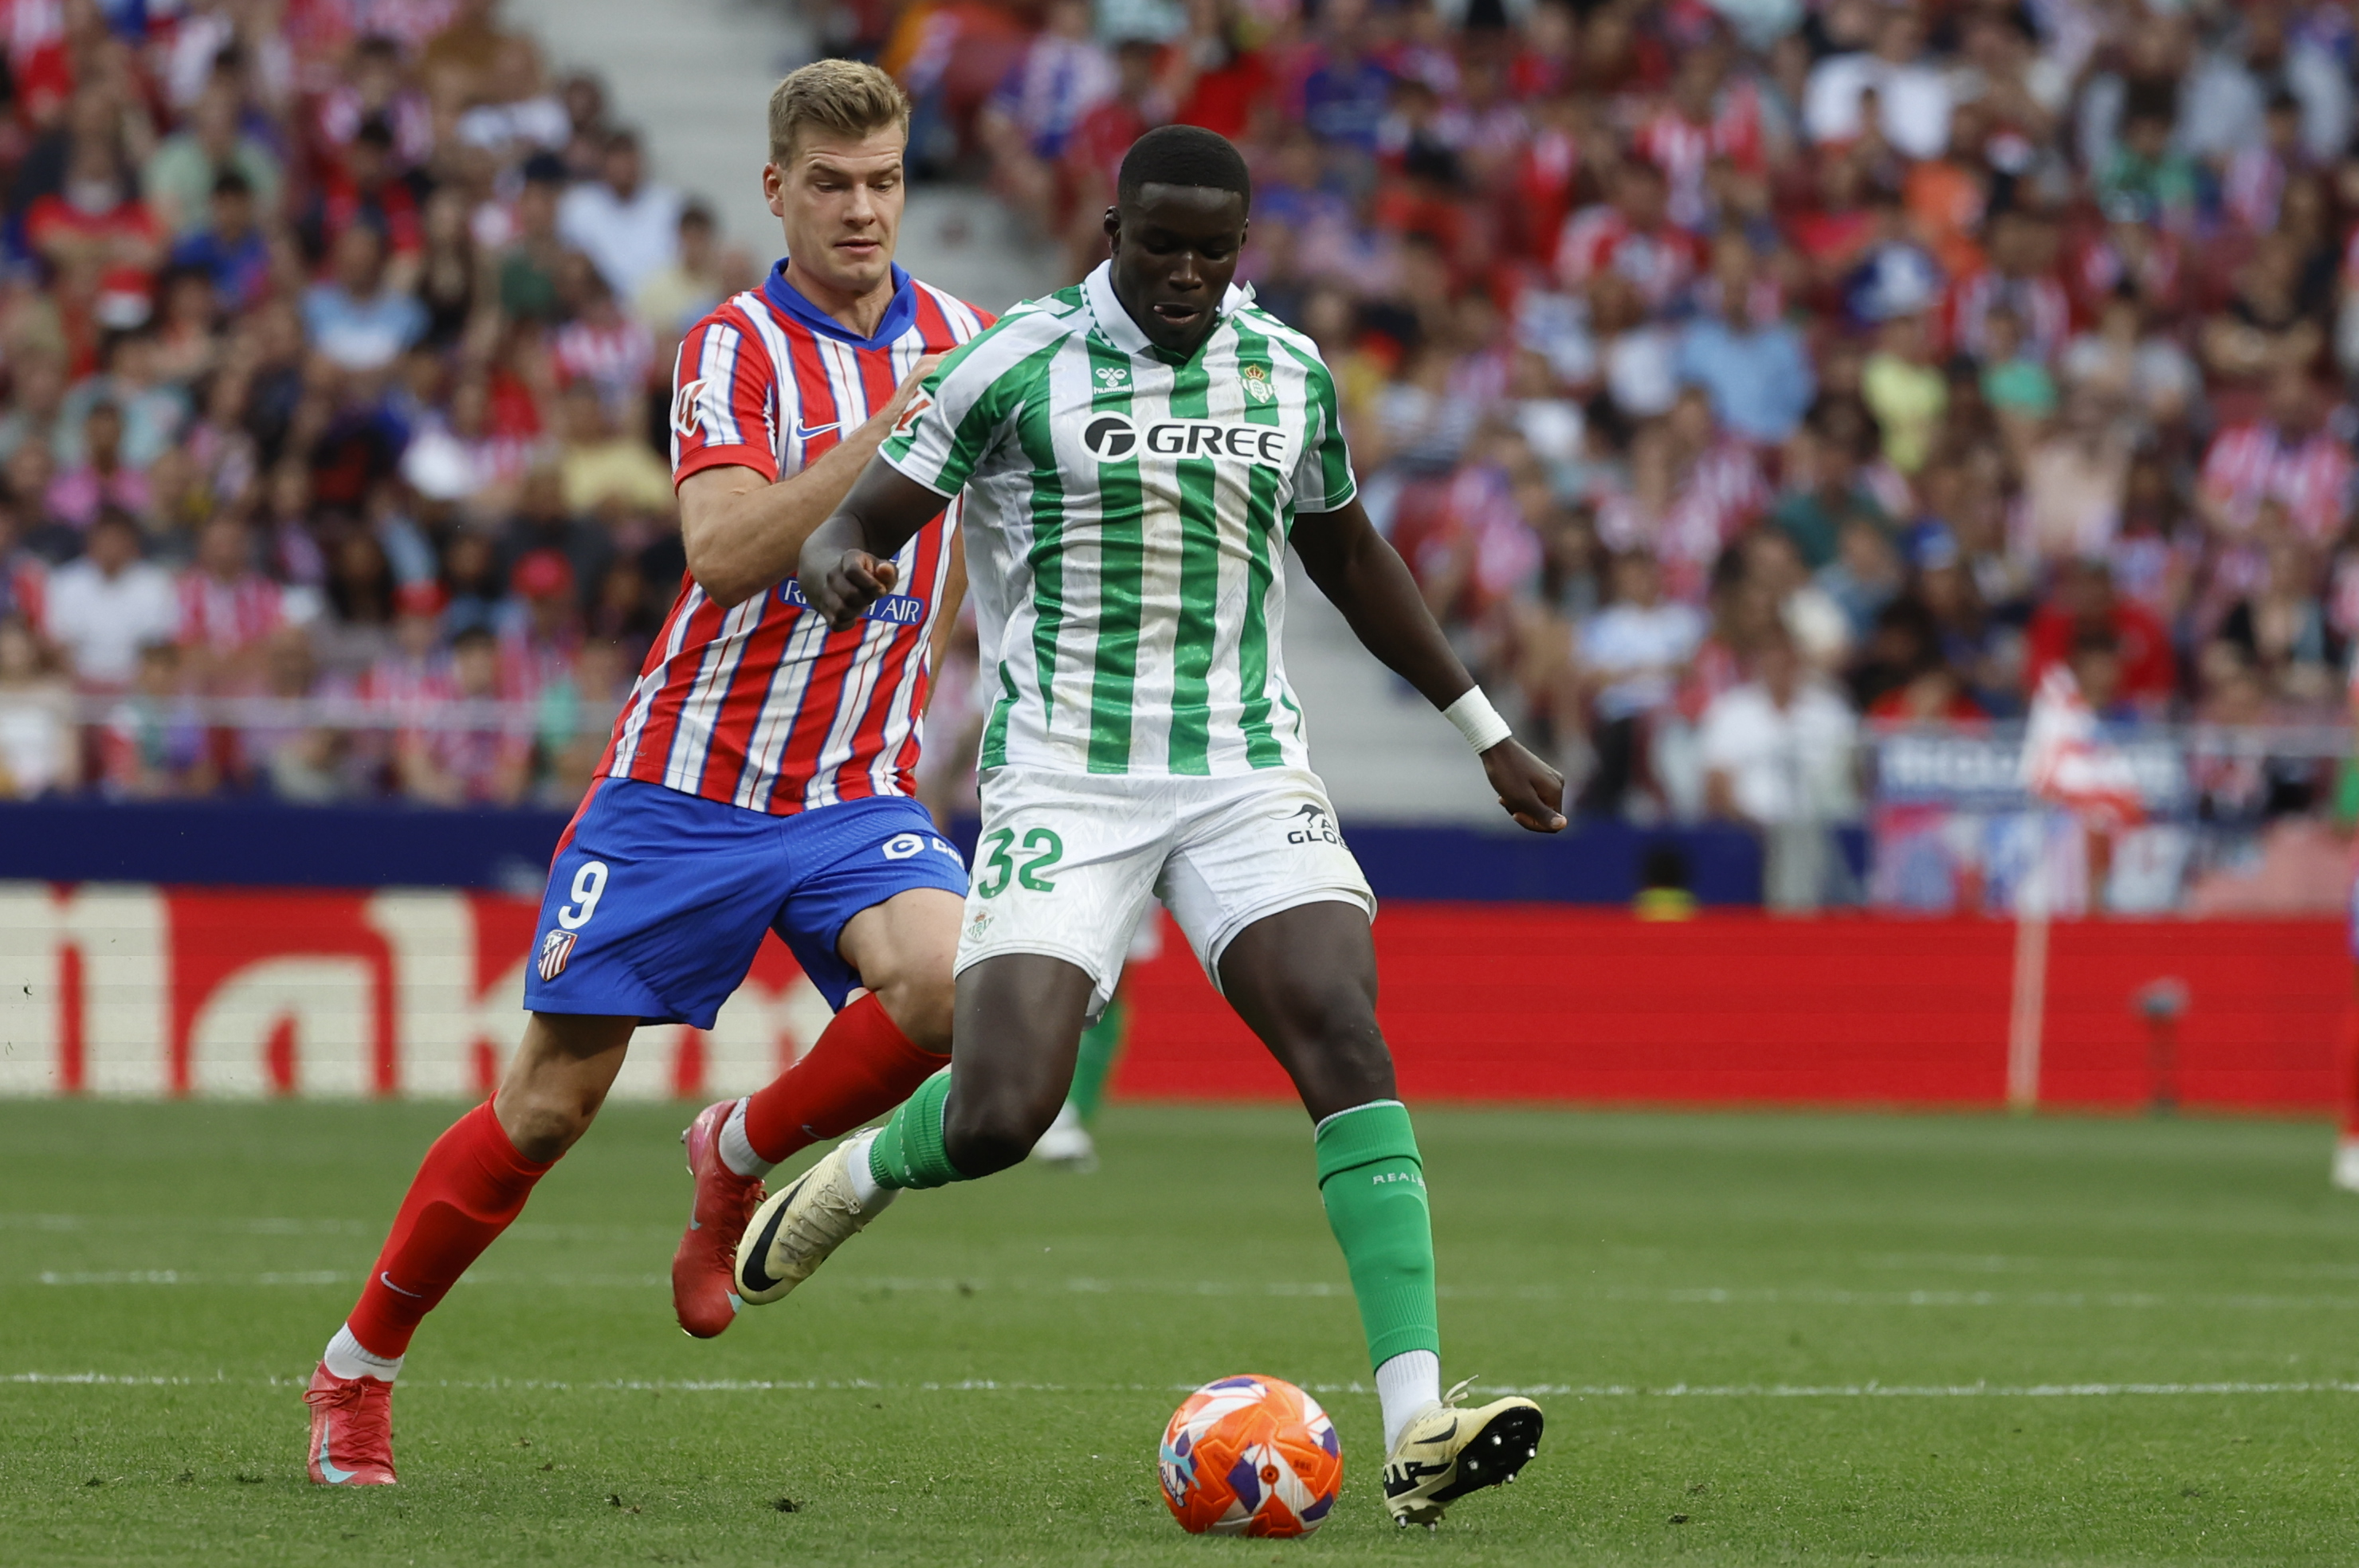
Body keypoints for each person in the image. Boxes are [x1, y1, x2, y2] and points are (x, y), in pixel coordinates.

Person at [754, 125, 1564, 1530]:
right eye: (1162, 246)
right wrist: (836, 564)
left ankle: (1418, 1425)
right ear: (1112, 232)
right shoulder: (1014, 363)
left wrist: (1484, 728)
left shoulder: (1288, 370)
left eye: (1214, 251)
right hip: (1064, 780)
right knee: (1003, 1114)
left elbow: (1348, 552)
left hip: (1244, 769)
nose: (1188, 274)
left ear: (1243, 249)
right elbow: (856, 521)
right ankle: (861, 1172)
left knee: (1341, 1027)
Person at [301, 60, 994, 1487]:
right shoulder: (730, 347)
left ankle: (736, 1149)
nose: (862, 211)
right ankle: (356, 1368)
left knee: (954, 988)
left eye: (883, 182)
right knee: (545, 1109)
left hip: (853, 790)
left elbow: (996, 532)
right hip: (685, 789)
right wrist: (895, 426)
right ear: (776, 189)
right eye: (830, 185)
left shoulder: (972, 337)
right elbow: (723, 553)